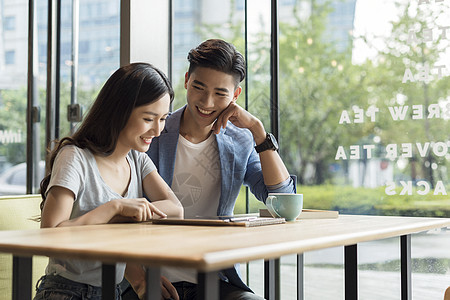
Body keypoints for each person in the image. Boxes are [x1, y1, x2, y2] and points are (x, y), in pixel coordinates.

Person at [122, 39, 296, 299]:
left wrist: (259, 132)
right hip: (150, 278)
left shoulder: (240, 140)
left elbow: (282, 200)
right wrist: (139, 280)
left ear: (235, 95)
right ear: (186, 81)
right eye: (198, 87)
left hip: (216, 280)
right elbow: (115, 207)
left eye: (220, 93)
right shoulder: (151, 133)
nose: (206, 101)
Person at [34, 62, 184, 300]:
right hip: (66, 291)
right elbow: (50, 235)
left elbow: (175, 209)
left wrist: (140, 281)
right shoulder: (75, 157)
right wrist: (115, 207)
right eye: (148, 118)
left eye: (163, 119)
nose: (157, 130)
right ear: (119, 111)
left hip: (112, 291)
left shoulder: (137, 160)